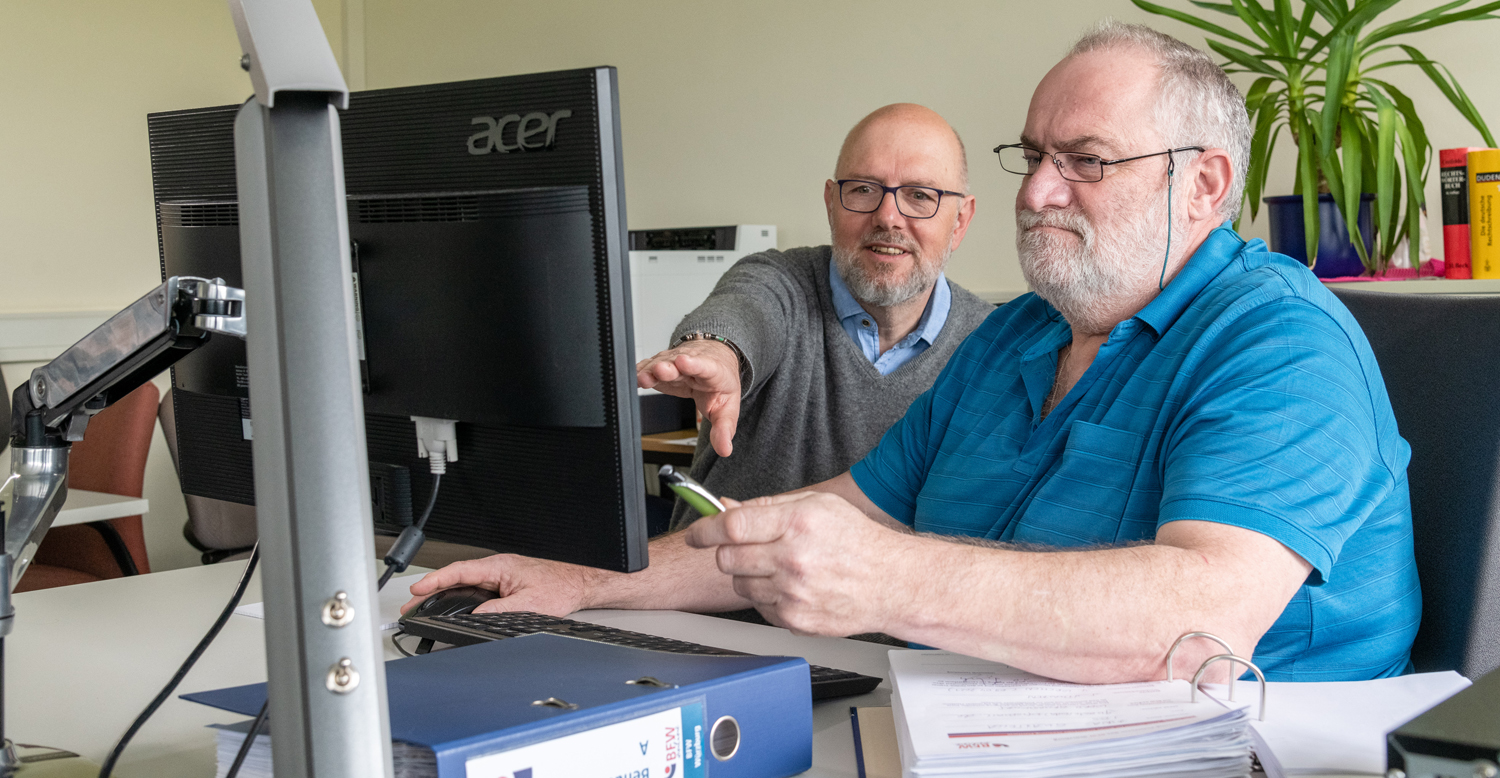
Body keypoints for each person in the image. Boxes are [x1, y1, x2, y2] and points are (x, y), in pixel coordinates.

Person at [408, 23, 1420, 684]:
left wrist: (889, 584)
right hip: (966, 719)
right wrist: (589, 584)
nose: (1036, 193)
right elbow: (835, 517)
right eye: (1032, 156)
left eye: (1086, 163)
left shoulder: (1280, 341)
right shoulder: (1018, 336)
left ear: (1203, 186)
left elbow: (1200, 622)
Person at [636, 103, 993, 531]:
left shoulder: (995, 345)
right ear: (830, 202)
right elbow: (745, 311)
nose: (887, 217)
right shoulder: (779, 280)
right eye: (863, 189)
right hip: (713, 592)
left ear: (960, 220)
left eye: (920, 195)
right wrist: (714, 352)